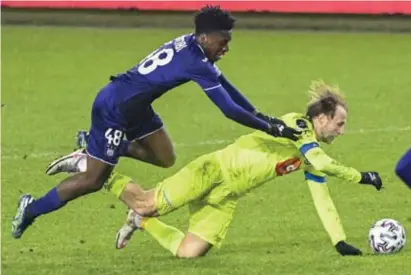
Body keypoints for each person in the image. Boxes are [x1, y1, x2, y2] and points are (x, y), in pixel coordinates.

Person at [11, 5, 300, 239]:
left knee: (165, 157)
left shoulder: (192, 46)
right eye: (223, 42)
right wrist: (269, 128)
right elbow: (229, 109)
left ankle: (96, 146)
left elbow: (228, 87)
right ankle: (31, 209)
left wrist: (265, 118)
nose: (226, 47)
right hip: (115, 108)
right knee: (92, 180)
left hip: (136, 106)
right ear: (204, 38)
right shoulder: (196, 62)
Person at [106, 80, 383, 258]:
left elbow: (322, 199)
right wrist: (363, 177)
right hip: (212, 171)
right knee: (147, 202)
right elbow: (324, 163)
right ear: (322, 118)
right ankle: (101, 170)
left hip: (226, 195)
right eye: (340, 123)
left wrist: (339, 241)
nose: (342, 131)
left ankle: (139, 221)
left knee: (189, 252)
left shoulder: (309, 154)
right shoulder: (297, 126)